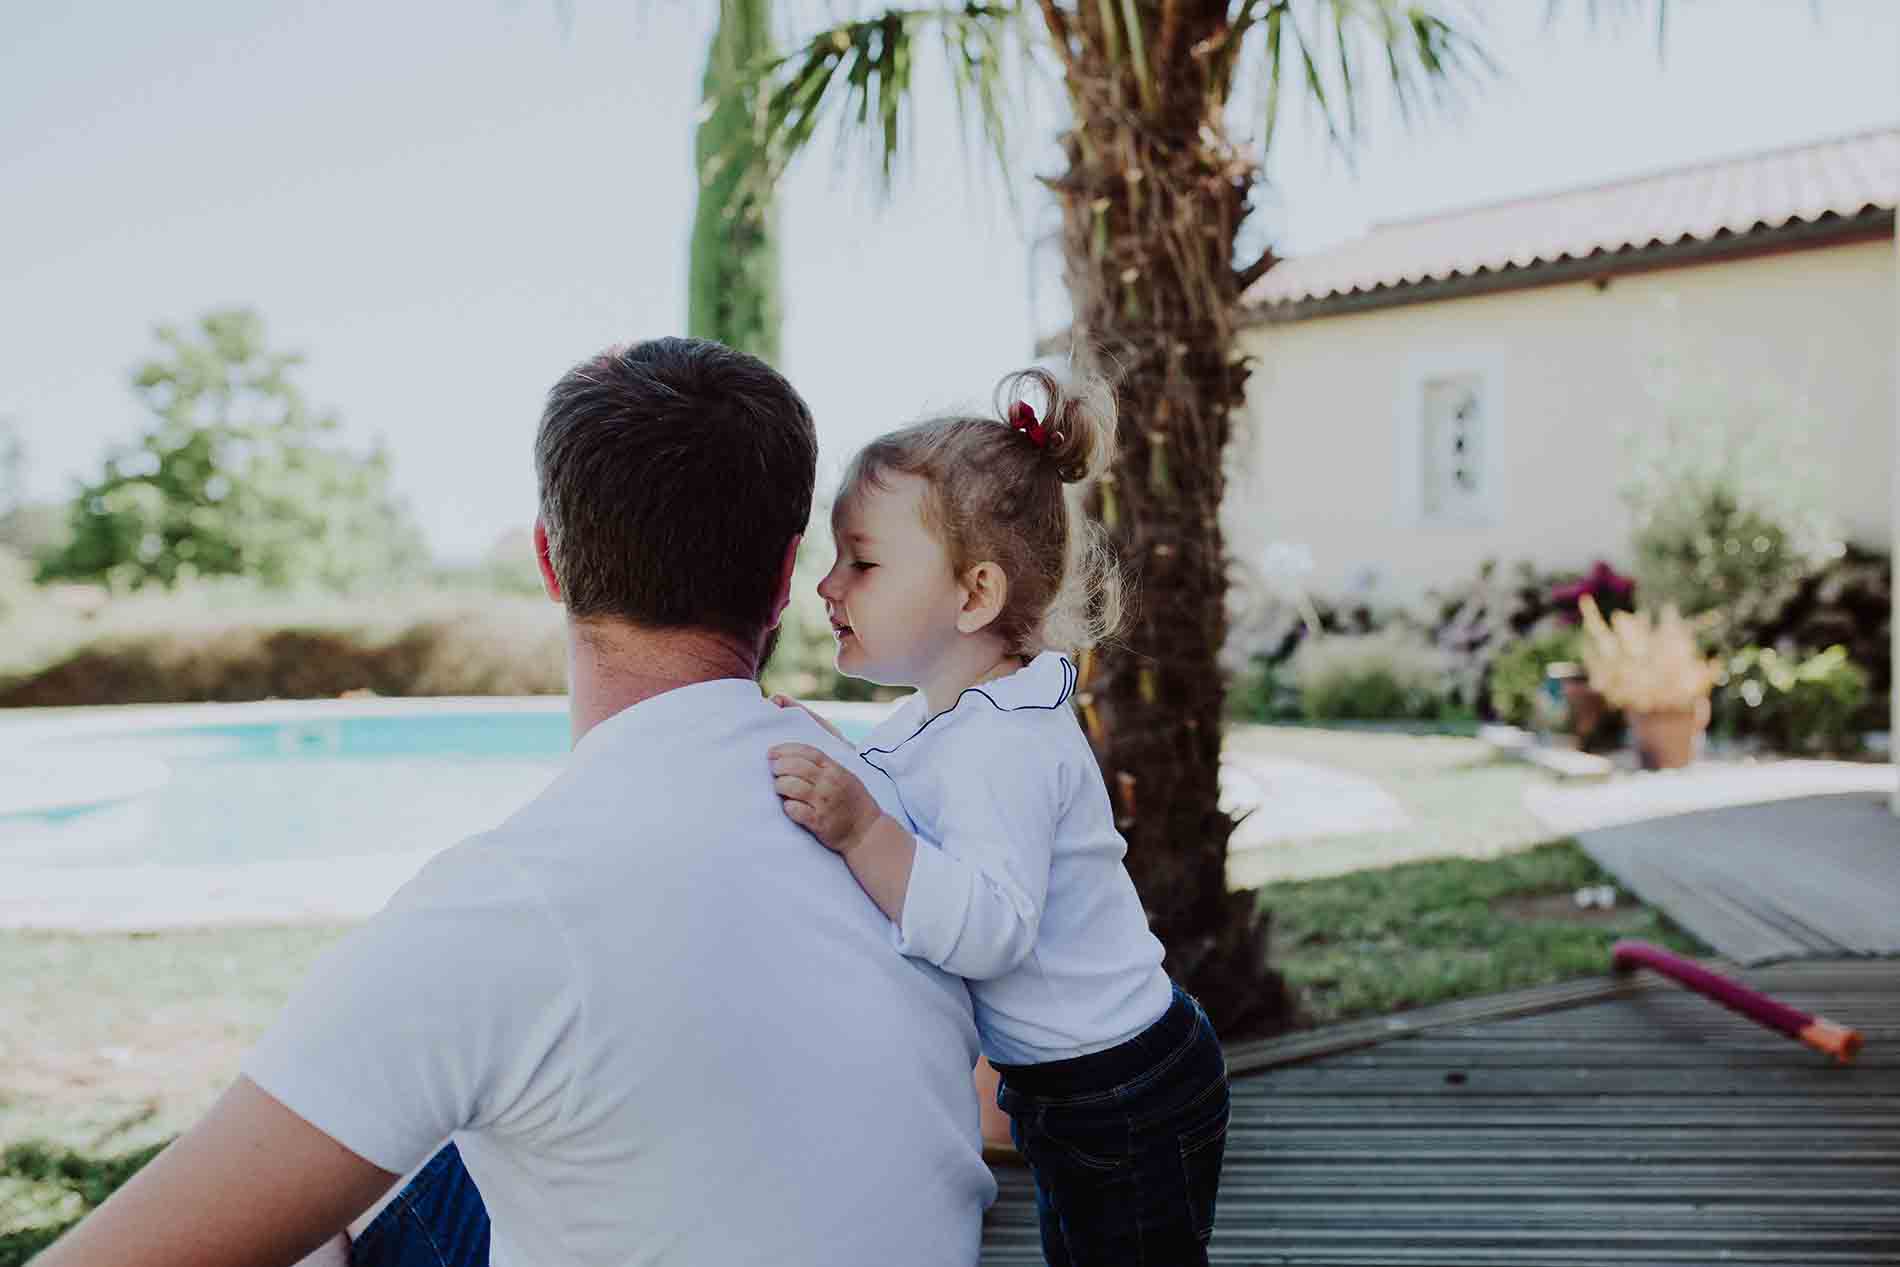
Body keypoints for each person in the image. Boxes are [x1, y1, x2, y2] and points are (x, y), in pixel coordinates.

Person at [39, 337, 996, 1267]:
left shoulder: (508, 906)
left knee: (394, 1122)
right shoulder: (898, 814)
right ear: (788, 573)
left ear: (549, 559)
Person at [766, 368, 1232, 1266]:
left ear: (974, 595)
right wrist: (839, 760)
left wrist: (861, 828)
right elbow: (900, 783)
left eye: (861, 561)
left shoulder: (1007, 745)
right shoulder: (956, 716)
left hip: (1124, 1090)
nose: (827, 585)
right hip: (1084, 1087)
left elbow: (989, 930)